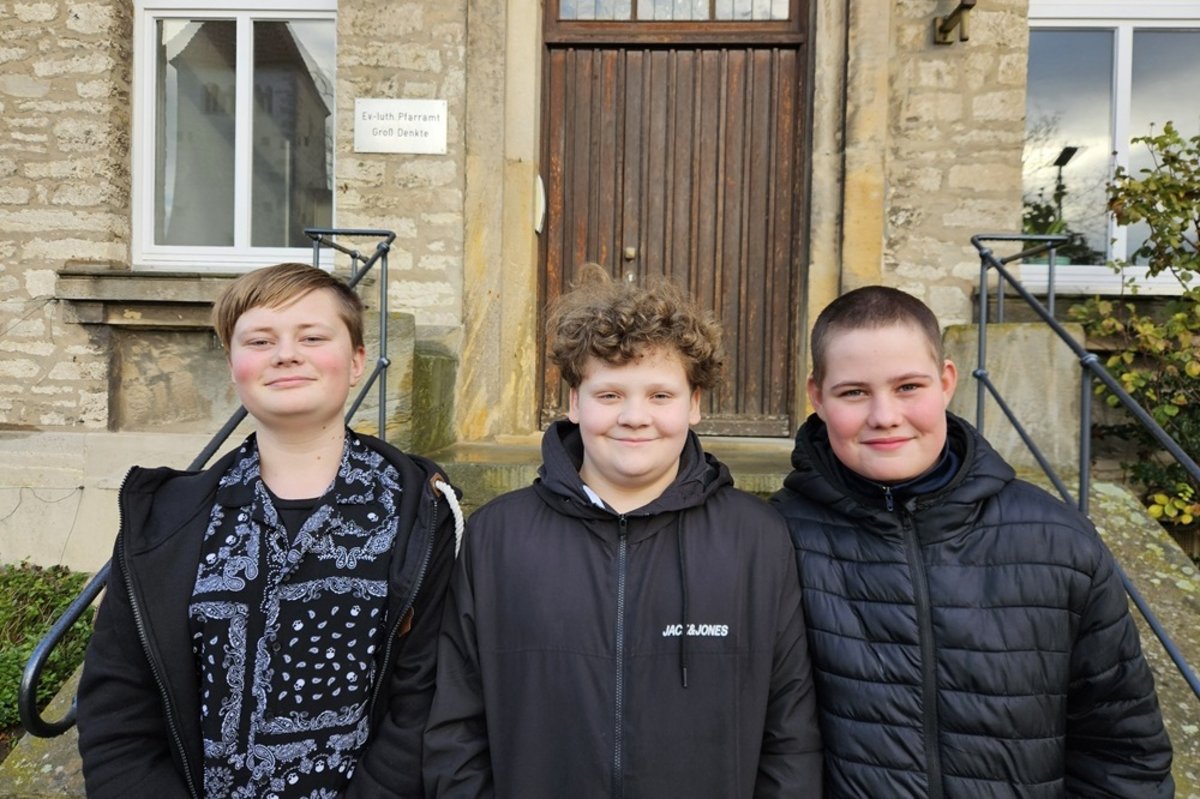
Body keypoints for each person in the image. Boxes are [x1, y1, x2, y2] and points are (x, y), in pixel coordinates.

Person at [423, 264, 822, 797]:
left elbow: (790, 734)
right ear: (574, 402)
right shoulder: (497, 536)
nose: (635, 416)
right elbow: (455, 725)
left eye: (660, 395)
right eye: (610, 395)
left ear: (694, 404)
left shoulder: (757, 539)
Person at [77, 262, 463, 799]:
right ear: (232, 364)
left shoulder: (420, 513)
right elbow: (118, 709)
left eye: (312, 337)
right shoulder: (166, 520)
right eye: (260, 340)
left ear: (357, 361)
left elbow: (422, 703)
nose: (286, 354)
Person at [771, 285, 1174, 797]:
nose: (884, 416)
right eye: (853, 392)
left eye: (908, 387)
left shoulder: (1057, 542)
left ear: (946, 382)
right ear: (817, 397)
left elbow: (1122, 753)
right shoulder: (773, 542)